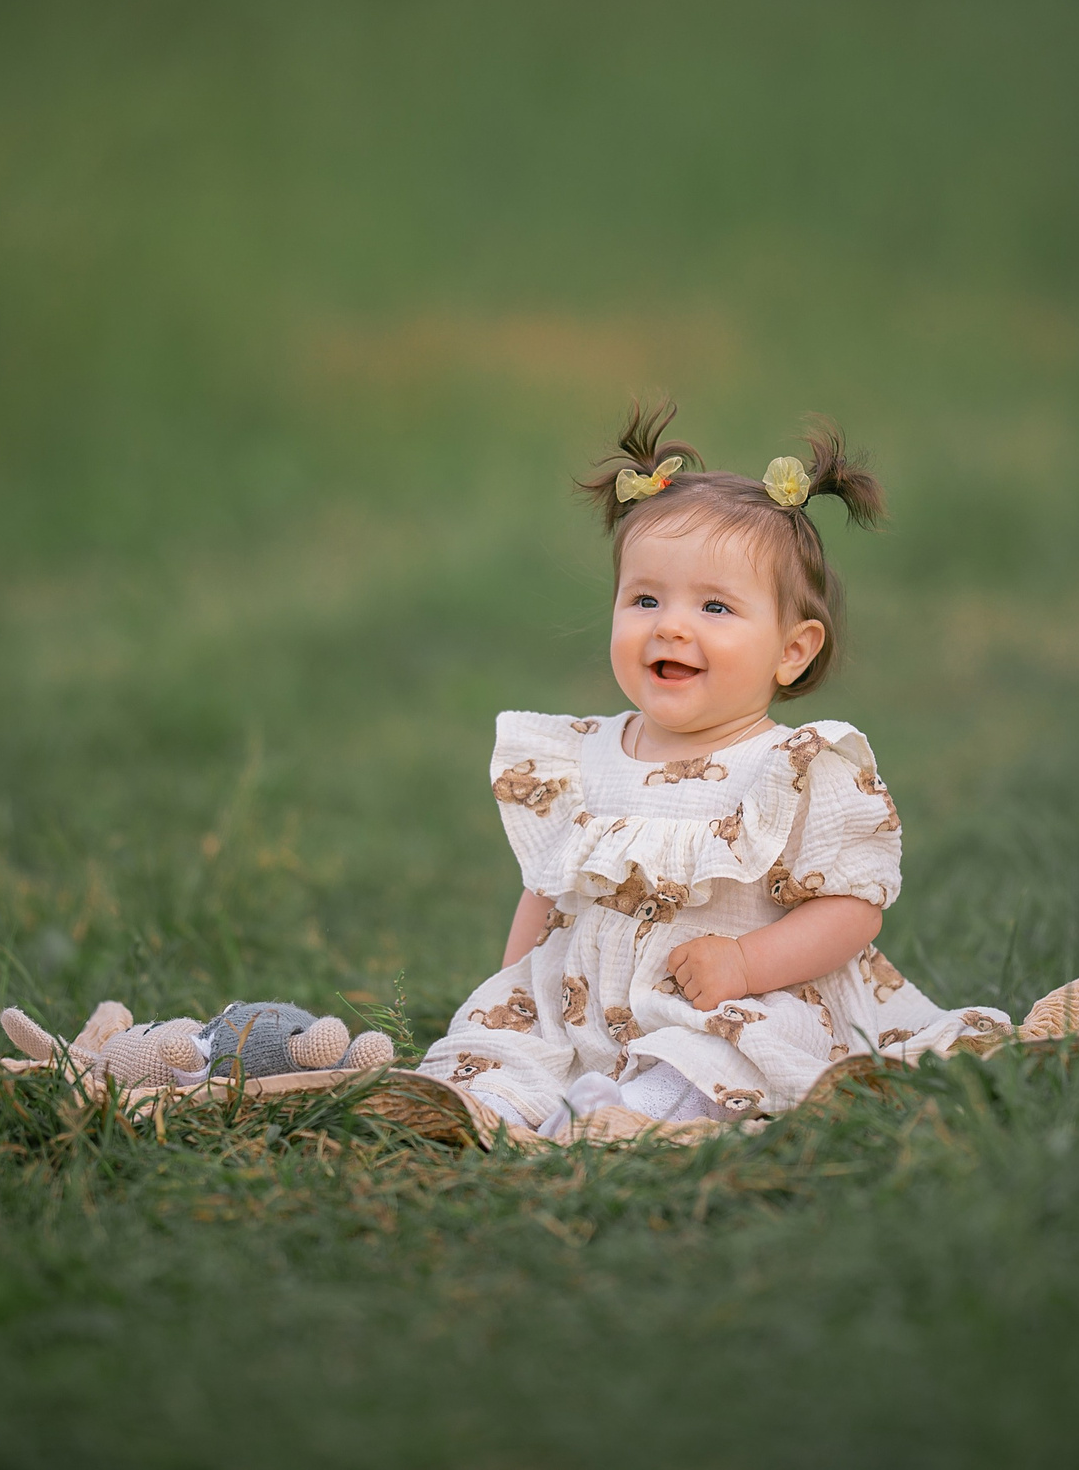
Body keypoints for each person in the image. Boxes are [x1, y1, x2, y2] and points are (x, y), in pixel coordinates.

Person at [418, 404, 1009, 1135]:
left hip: (727, 999)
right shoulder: (584, 757)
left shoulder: (790, 769)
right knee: (509, 1043)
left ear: (792, 649)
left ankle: (641, 1113)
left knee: (728, 1048)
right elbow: (547, 888)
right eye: (644, 598)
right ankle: (503, 1100)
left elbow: (854, 908)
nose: (670, 624)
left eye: (716, 606)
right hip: (584, 1006)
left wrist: (746, 963)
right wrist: (510, 997)